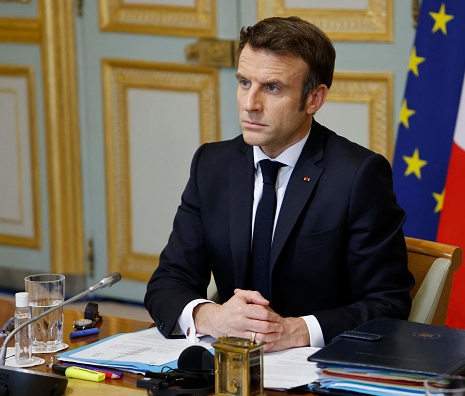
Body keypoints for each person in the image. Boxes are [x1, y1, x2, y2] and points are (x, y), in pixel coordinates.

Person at [144, 16, 414, 352]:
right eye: (244, 83)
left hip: (316, 367)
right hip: (231, 363)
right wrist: (213, 316)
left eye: (272, 88)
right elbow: (167, 284)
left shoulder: (358, 175)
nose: (249, 104)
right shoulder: (212, 165)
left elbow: (388, 305)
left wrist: (298, 330)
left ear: (314, 99)